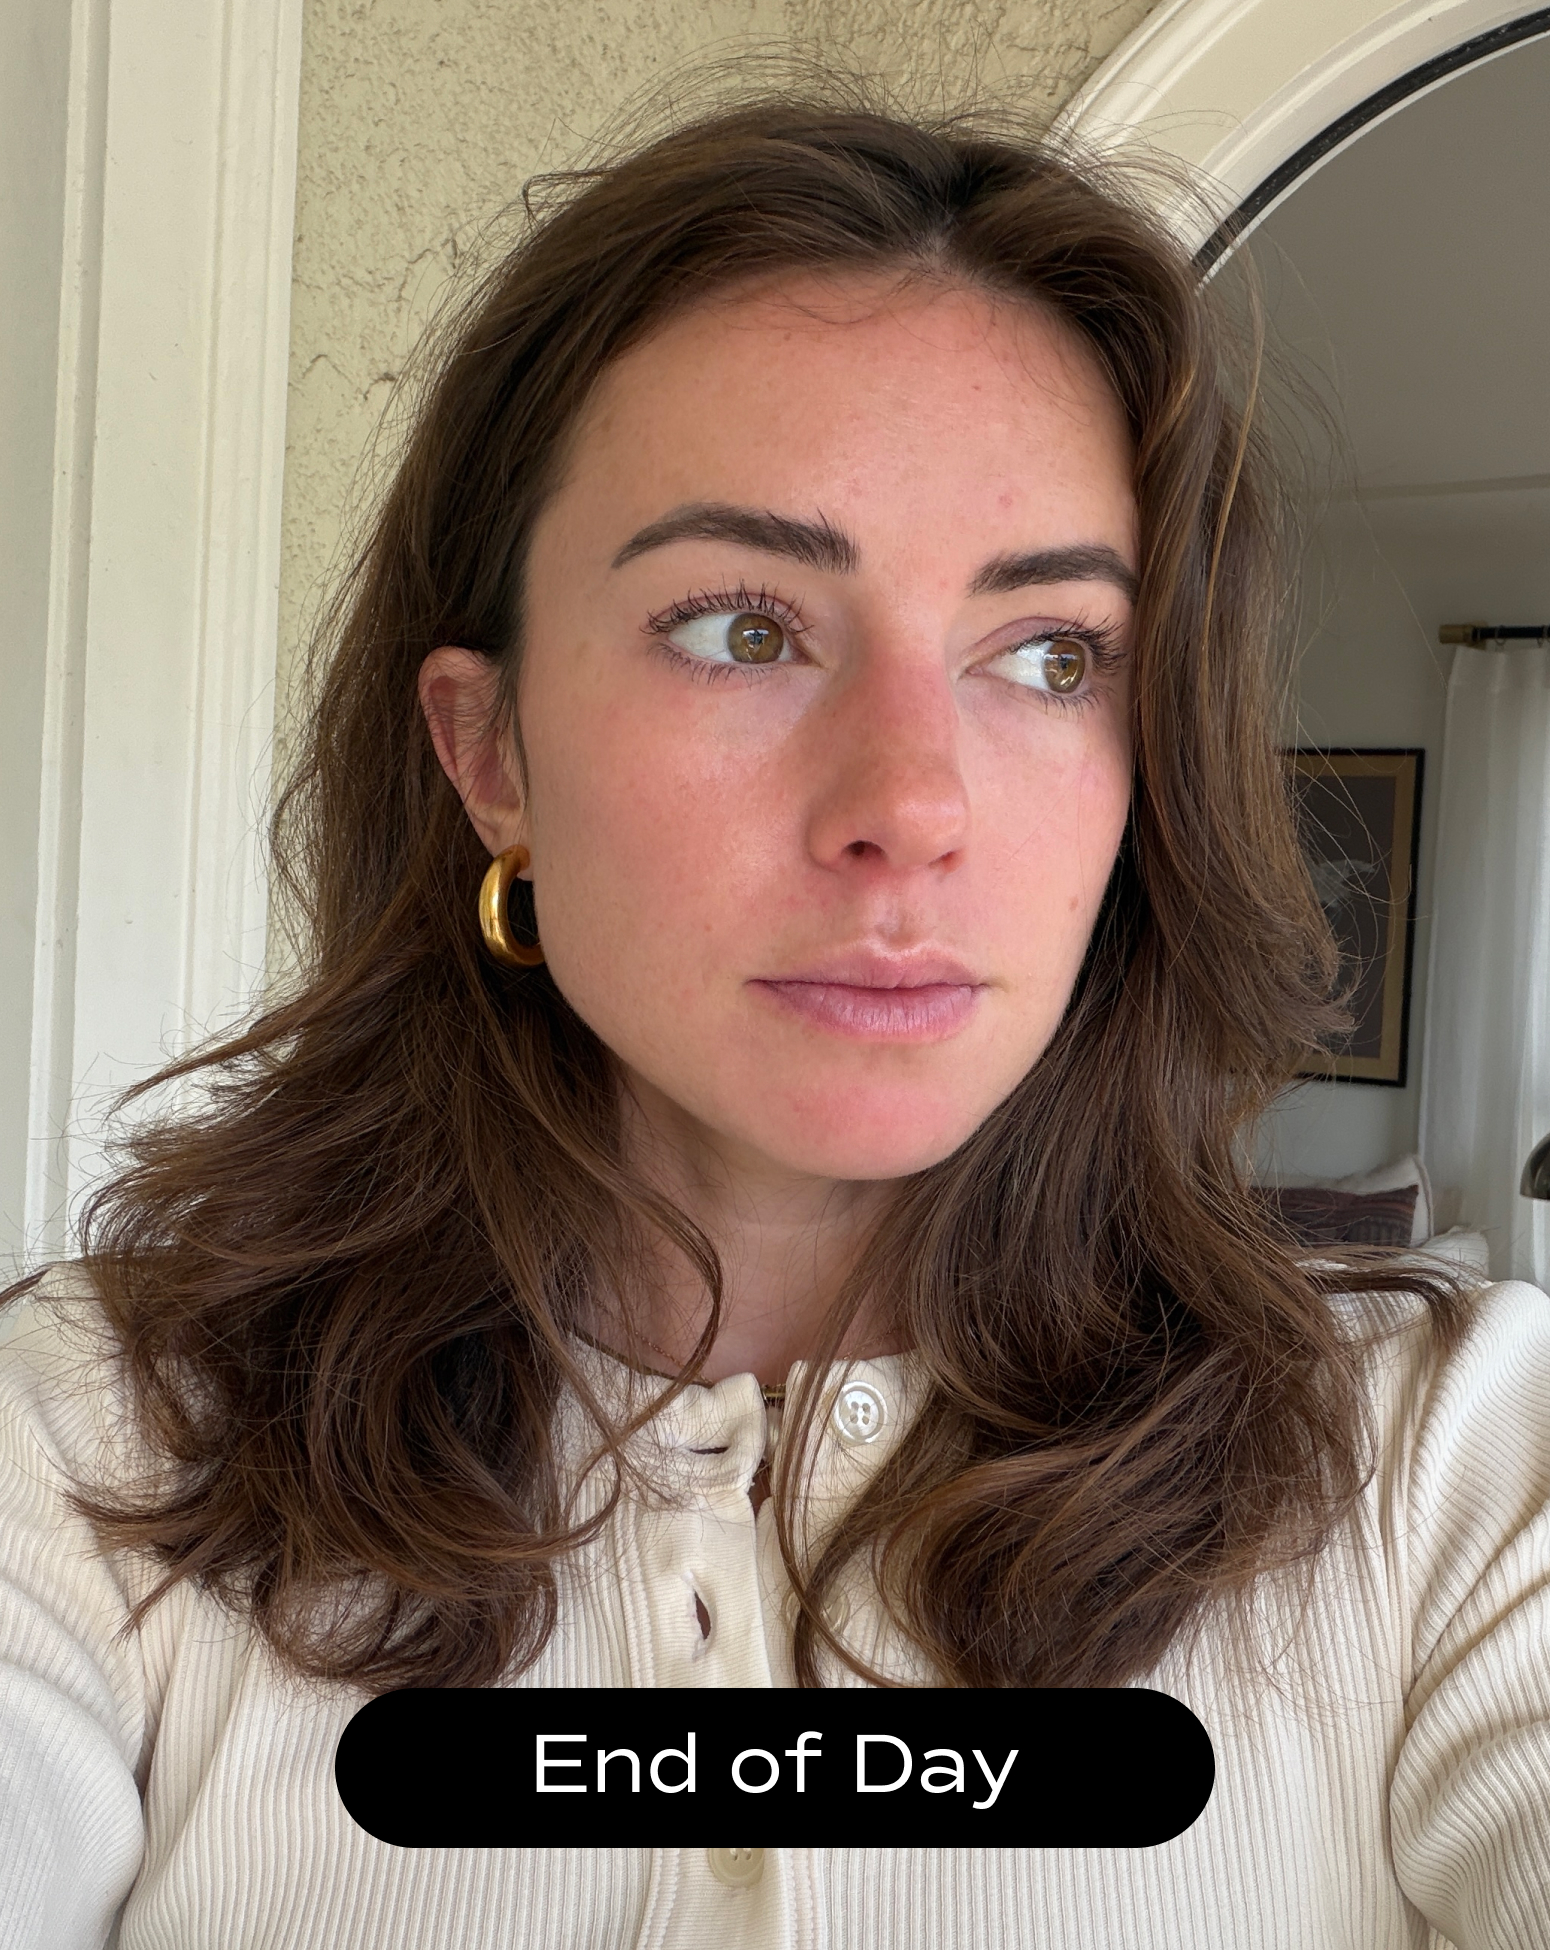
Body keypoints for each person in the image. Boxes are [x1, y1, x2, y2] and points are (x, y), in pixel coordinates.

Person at [2, 87, 1547, 1950]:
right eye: (742, 625)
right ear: (488, 752)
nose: (911, 799)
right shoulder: (91, 1448)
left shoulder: (1448, 1472)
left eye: (1051, 654)